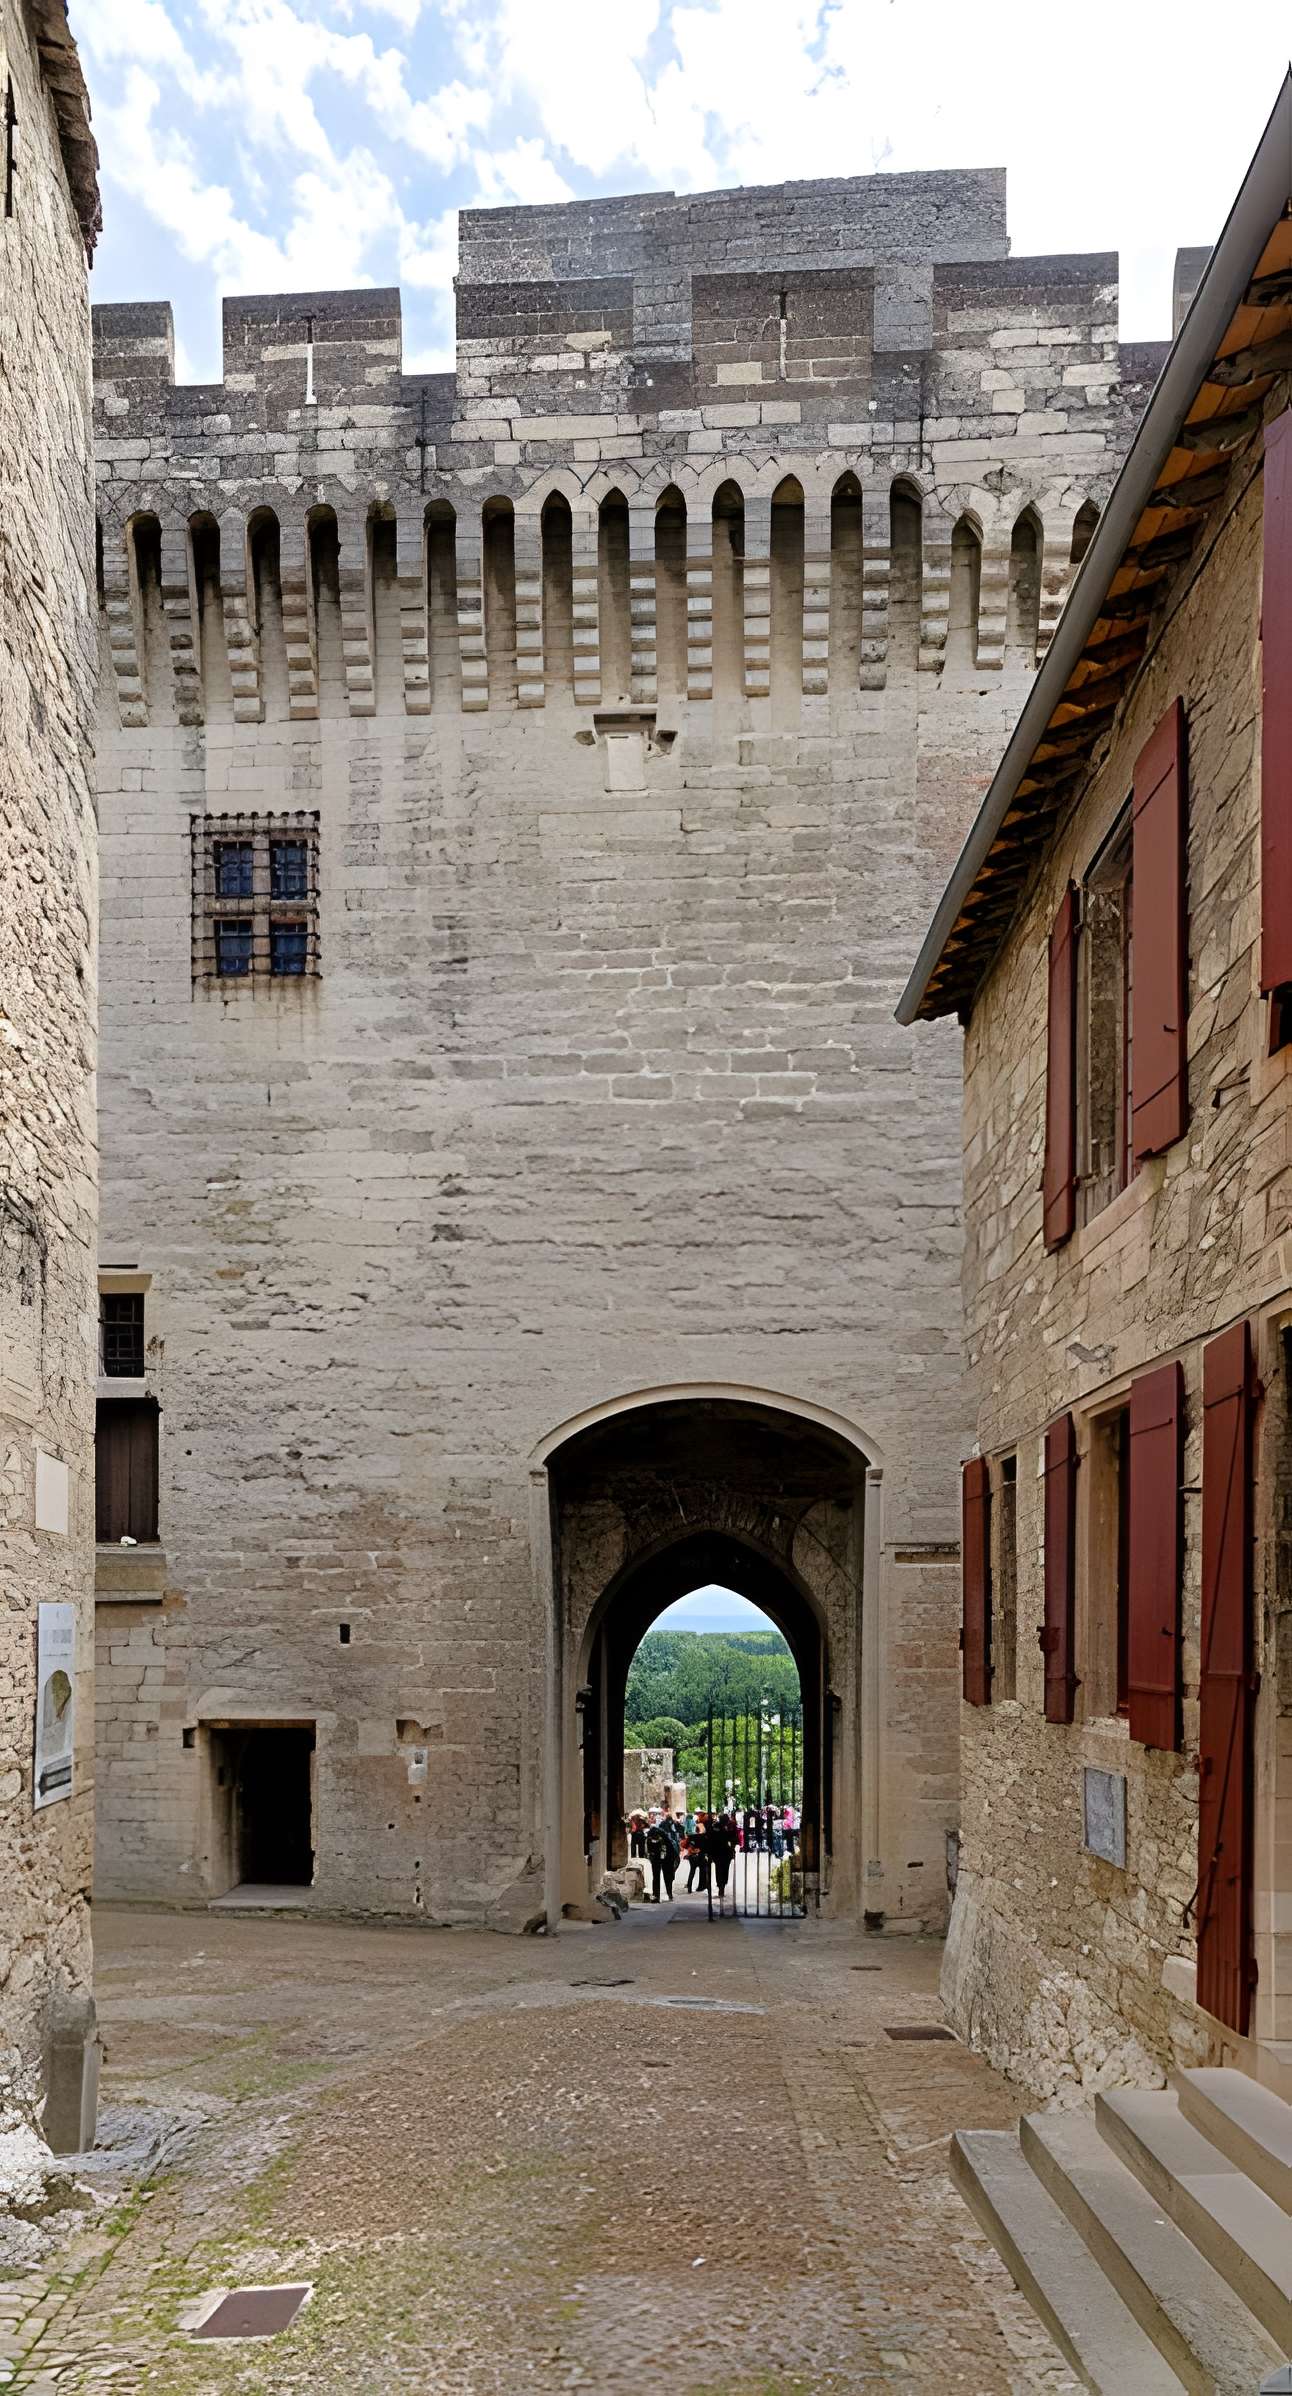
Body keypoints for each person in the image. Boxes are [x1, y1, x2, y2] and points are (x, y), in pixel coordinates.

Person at [646, 1809, 680, 1903]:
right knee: (666, 1876)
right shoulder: (666, 1835)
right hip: (664, 1858)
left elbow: (649, 1850)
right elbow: (674, 1850)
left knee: (658, 1876)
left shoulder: (656, 1834)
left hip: (660, 1858)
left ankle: (657, 1896)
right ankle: (668, 1895)